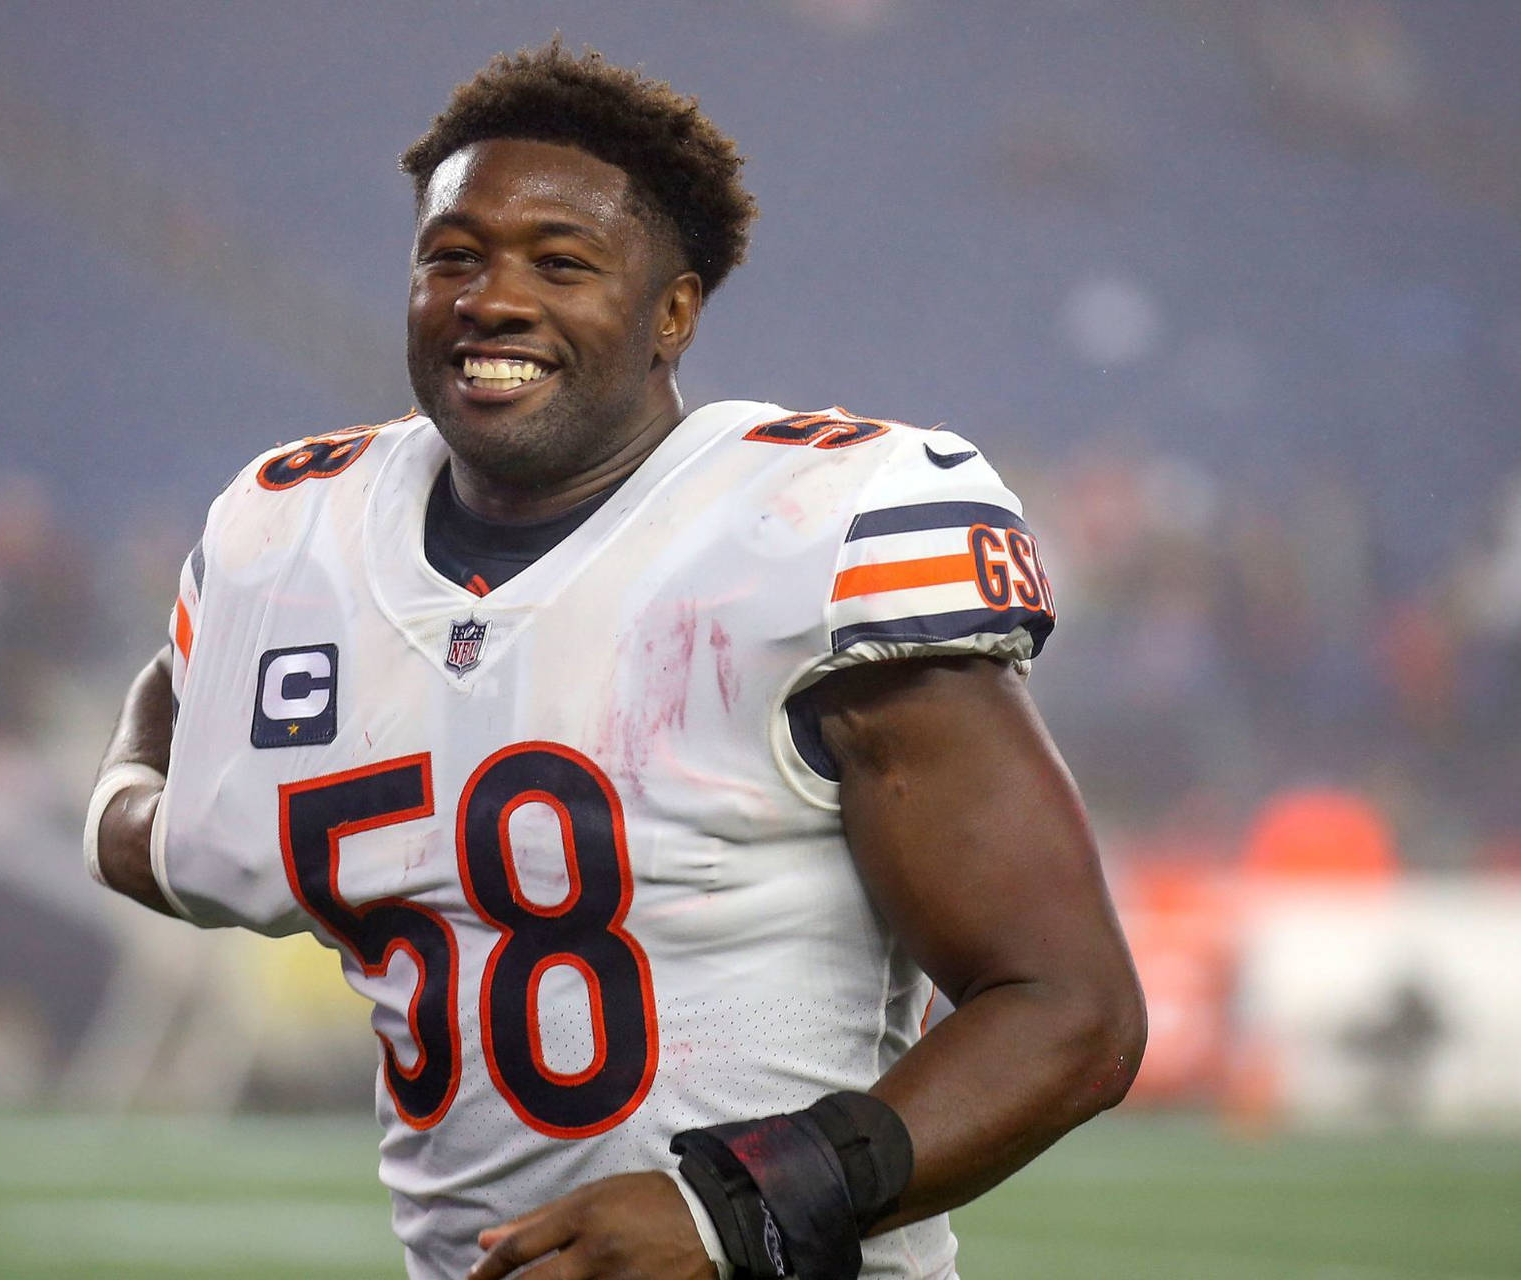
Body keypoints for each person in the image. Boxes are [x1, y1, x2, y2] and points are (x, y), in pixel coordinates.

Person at [85, 43, 1144, 1280]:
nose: (492, 297)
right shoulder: (287, 535)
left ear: (674, 311)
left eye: (561, 261)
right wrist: (121, 783)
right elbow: (169, 827)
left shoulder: (813, 527)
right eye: (452, 255)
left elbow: (1072, 1011)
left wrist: (732, 1207)